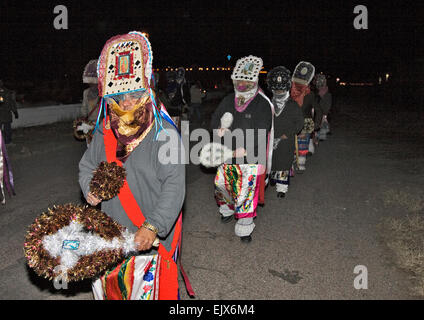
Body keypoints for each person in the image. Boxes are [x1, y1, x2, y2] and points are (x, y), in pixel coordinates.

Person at [79, 31, 186, 300]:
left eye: (135, 94)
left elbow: (174, 186)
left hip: (150, 239)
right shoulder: (104, 131)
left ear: (147, 92)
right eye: (119, 96)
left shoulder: (166, 135)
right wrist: (88, 187)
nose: (126, 103)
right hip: (112, 238)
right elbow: (87, 165)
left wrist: (153, 226)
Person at [210, 55, 273, 243]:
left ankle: (245, 228)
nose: (242, 84)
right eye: (239, 80)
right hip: (227, 156)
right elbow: (215, 119)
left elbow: (263, 128)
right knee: (222, 185)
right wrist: (217, 130)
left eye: (246, 80)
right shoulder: (228, 100)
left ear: (254, 81)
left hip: (249, 157)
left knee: (246, 192)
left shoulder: (262, 103)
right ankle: (227, 209)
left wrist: (245, 149)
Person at [267, 66, 304, 198]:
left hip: (285, 140)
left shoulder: (293, 105)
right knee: (271, 160)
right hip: (270, 138)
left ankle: (281, 187)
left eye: (281, 89)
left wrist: (287, 134)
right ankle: (271, 177)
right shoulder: (268, 104)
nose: (279, 91)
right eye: (277, 89)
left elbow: (299, 123)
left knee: (283, 163)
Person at [290, 61, 316, 172]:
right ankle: (300, 163)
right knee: (302, 143)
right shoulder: (309, 94)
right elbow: (317, 109)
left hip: (295, 121)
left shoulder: (291, 93)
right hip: (304, 121)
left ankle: (296, 161)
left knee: (294, 142)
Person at [313, 74, 332, 141]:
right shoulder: (321, 91)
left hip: (323, 110)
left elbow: (327, 104)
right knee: (322, 122)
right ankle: (321, 134)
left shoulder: (325, 93)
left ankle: (321, 135)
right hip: (320, 110)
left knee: (323, 121)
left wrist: (325, 113)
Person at [0, 80, 18, 145]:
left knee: (7, 129)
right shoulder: (7, 92)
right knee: (7, 129)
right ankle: (7, 142)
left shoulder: (7, 92)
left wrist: (15, 112)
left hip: (6, 114)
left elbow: (11, 103)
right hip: (5, 114)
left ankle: (8, 141)